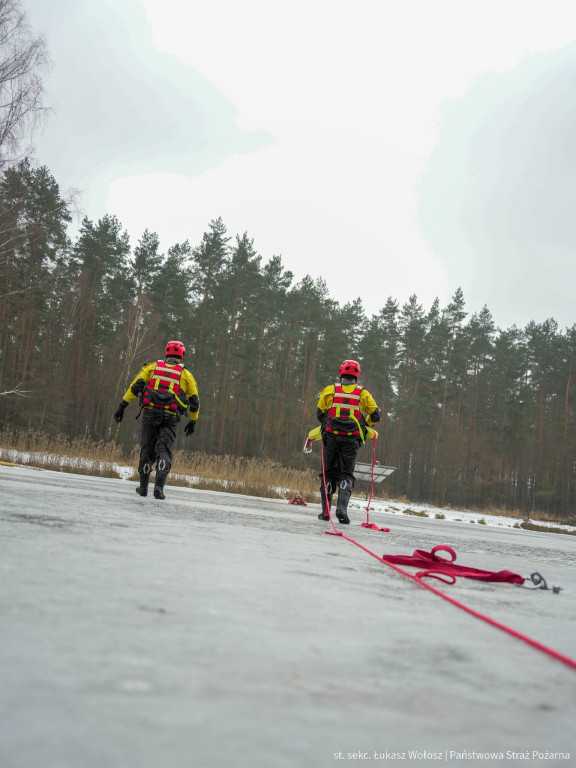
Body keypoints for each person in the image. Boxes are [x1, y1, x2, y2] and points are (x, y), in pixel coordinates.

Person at [113, 340, 200, 500]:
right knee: (164, 451)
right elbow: (195, 402)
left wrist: (121, 407)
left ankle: (143, 488)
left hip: (149, 414)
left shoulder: (152, 368)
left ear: (166, 353)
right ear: (182, 356)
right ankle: (158, 489)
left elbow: (134, 387)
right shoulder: (186, 375)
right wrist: (192, 422)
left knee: (147, 450)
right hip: (170, 417)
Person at [316, 359, 381, 524]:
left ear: (341, 374)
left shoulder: (330, 390)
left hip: (330, 438)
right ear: (356, 376)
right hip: (351, 440)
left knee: (328, 474)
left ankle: (325, 512)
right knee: (346, 474)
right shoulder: (363, 393)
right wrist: (363, 426)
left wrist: (328, 424)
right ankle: (342, 509)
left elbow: (320, 413)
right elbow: (376, 415)